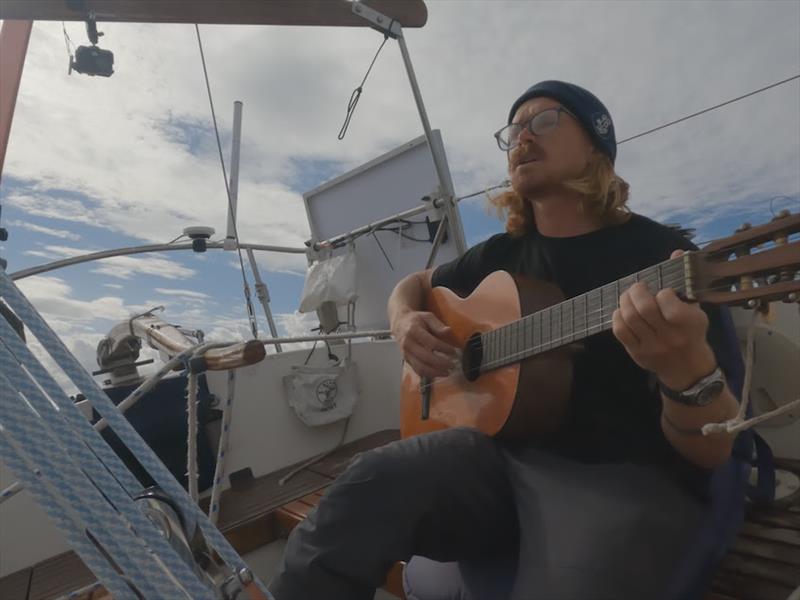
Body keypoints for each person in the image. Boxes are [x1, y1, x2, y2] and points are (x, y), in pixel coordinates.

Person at [268, 81, 743, 600]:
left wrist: (685, 370)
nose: (522, 138)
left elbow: (713, 450)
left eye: (545, 121)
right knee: (369, 481)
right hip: (497, 461)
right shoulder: (499, 254)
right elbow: (416, 286)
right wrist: (404, 319)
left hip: (621, 476)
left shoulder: (665, 258)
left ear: (597, 146)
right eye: (514, 130)